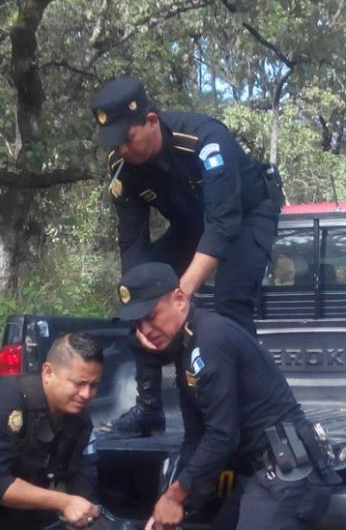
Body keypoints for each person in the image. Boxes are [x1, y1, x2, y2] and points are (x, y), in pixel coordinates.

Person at [91, 76, 284, 435]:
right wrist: (140, 305)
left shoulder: (205, 140)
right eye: (114, 144)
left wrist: (179, 297)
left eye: (127, 139)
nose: (122, 151)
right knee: (138, 295)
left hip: (245, 216)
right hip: (191, 223)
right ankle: (148, 408)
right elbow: (132, 246)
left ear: (150, 121)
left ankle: (247, 405)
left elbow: (223, 224)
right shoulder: (123, 171)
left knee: (230, 300)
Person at [114, 263, 338, 530]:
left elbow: (222, 435)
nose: (145, 330)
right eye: (138, 323)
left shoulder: (210, 340)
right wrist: (172, 501)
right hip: (259, 475)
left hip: (287, 474)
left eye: (151, 316)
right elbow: (196, 437)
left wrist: (175, 497)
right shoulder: (187, 346)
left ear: (179, 299)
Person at [0, 332, 104, 530]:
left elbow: (84, 469)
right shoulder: (4, 401)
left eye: (93, 385)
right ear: (48, 372)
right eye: (79, 383)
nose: (86, 394)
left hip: (14, 502)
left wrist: (80, 508)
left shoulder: (80, 418)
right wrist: (63, 502)